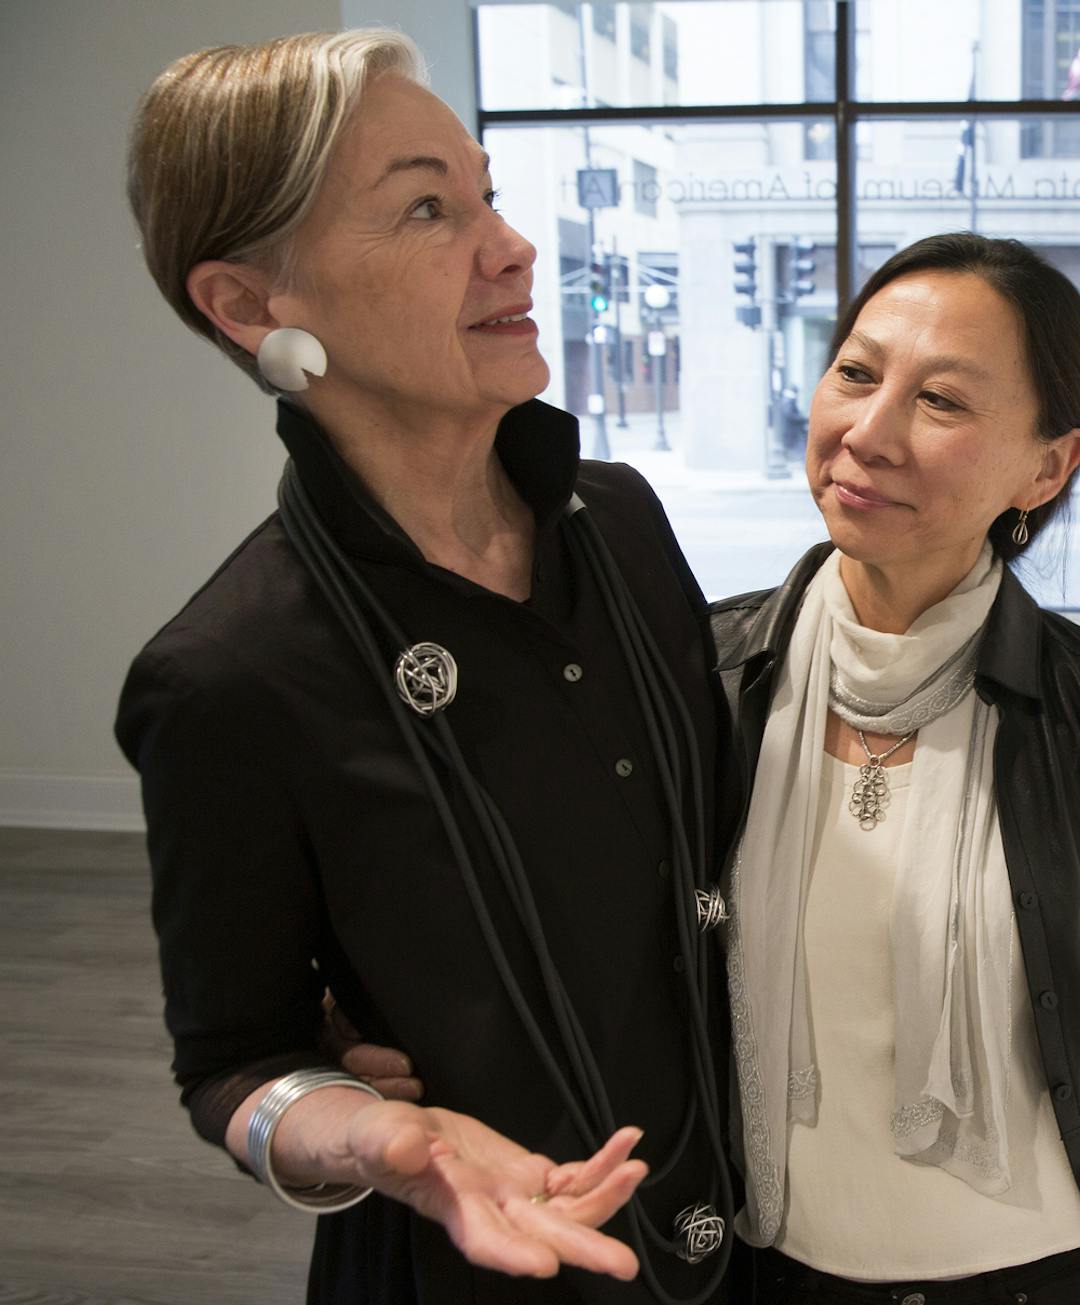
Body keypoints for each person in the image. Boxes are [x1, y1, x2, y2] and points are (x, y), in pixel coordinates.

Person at [114, 31, 737, 1302]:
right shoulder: (231, 673)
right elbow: (234, 1066)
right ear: (247, 305)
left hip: (750, 1231)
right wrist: (357, 1130)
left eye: (488, 193)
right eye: (424, 209)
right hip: (488, 1258)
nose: (510, 248)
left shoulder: (620, 523)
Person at [712, 233, 1080, 1304]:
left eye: (941, 401)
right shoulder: (704, 674)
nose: (869, 431)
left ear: (1047, 466)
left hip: (1037, 1272)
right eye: (856, 373)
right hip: (769, 1266)